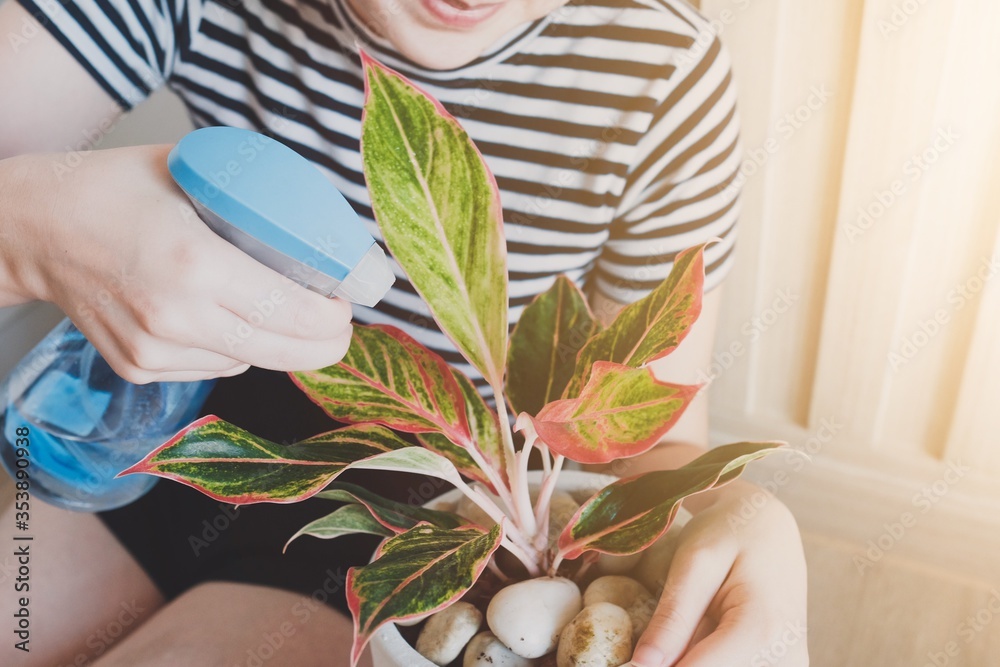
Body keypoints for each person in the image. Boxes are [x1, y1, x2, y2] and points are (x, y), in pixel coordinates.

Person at [0, 0, 808, 664]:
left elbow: (648, 442)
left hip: (428, 527)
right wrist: (27, 230)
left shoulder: (660, 73)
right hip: (162, 439)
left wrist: (744, 509)